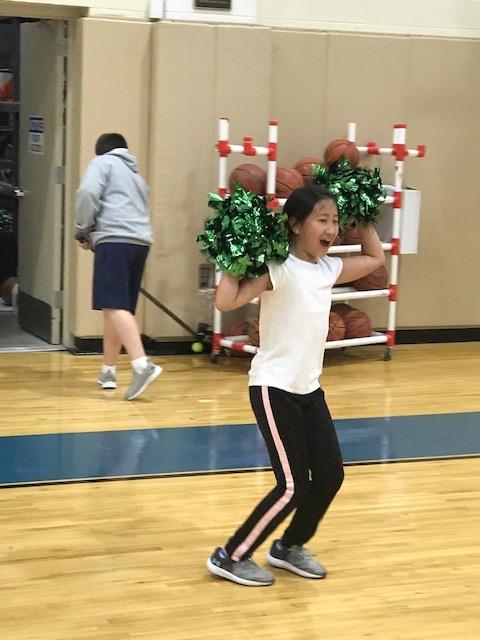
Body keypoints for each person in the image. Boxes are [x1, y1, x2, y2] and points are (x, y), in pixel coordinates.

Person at [206, 184, 385, 586]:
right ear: (295, 224)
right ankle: (230, 555)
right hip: (273, 388)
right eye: (323, 220)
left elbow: (375, 258)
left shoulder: (329, 269)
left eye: (336, 221)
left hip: (308, 390)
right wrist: (235, 255)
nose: (332, 228)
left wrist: (365, 214)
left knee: (329, 476)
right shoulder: (278, 267)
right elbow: (226, 301)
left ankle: (288, 546)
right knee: (291, 486)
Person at [75, 133, 162, 401]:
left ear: (101, 150)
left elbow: (87, 192)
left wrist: (82, 229)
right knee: (117, 308)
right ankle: (108, 371)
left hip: (114, 241)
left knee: (112, 305)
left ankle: (141, 365)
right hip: (140, 243)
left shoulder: (102, 163)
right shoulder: (136, 176)